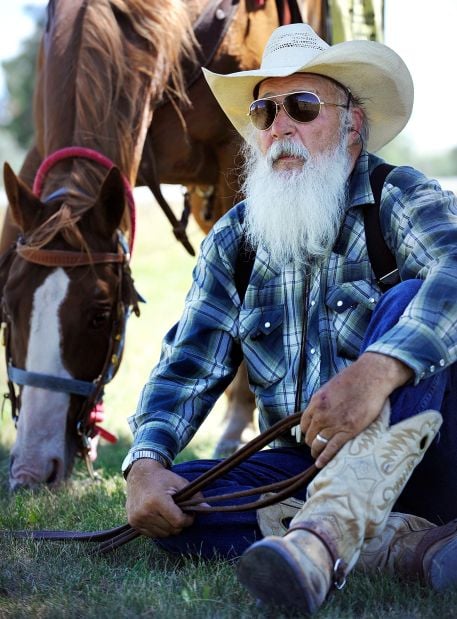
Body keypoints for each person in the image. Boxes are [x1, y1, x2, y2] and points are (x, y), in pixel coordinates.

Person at [122, 23, 457, 614]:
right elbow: (187, 362)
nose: (281, 126)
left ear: (352, 123)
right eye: (264, 110)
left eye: (302, 106)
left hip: (432, 452)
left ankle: (322, 537)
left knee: (409, 298)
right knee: (183, 507)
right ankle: (406, 548)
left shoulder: (399, 196)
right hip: (304, 464)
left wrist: (378, 371)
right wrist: (146, 461)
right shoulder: (235, 239)